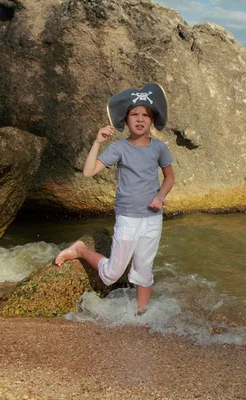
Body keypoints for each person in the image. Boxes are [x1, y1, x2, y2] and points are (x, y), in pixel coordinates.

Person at [55, 83, 174, 315]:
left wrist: (161, 196)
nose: (140, 119)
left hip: (152, 219)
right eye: (134, 114)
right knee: (112, 274)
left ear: (152, 120)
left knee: (144, 270)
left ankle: (141, 315)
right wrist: (98, 141)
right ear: (126, 120)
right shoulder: (119, 147)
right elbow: (88, 172)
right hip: (127, 217)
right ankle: (80, 250)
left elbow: (169, 178)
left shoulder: (159, 148)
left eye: (145, 115)